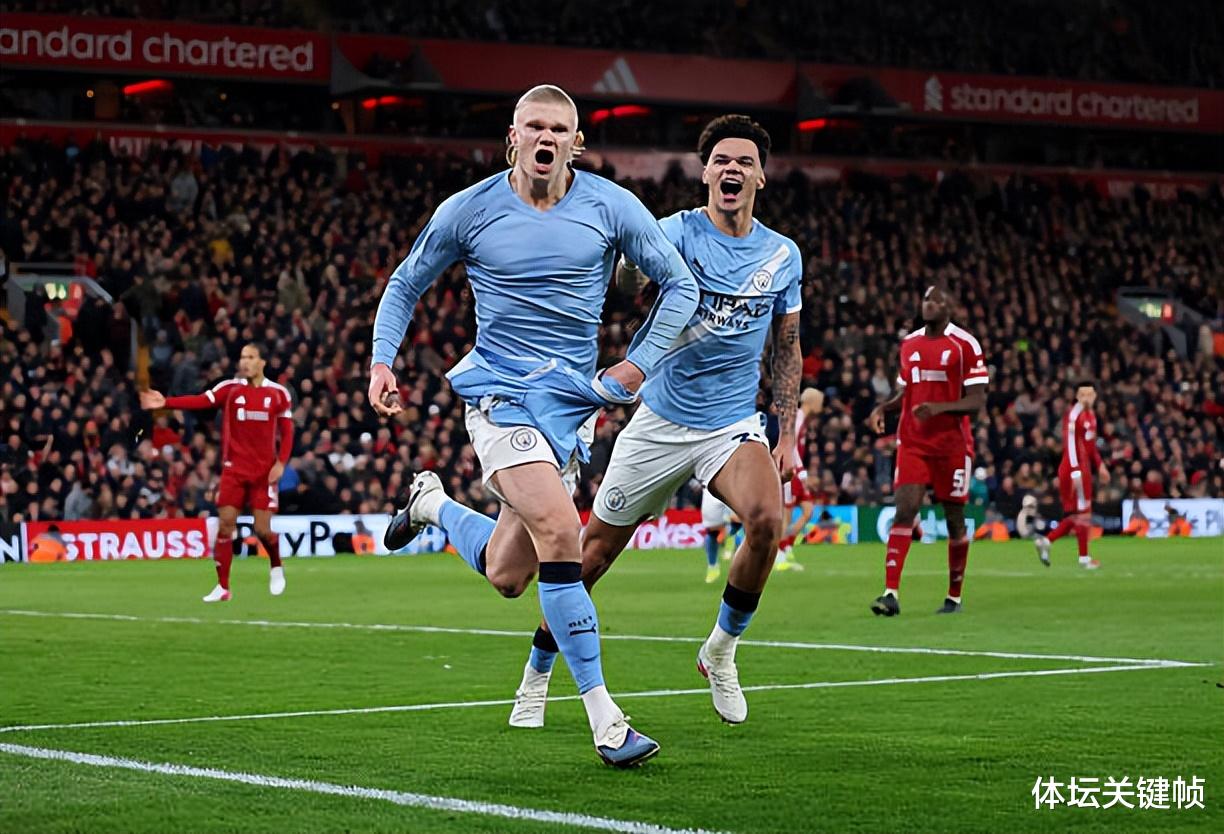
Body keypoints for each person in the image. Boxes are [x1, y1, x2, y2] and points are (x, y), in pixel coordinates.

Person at [369, 85, 699, 768]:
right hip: (500, 396)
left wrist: (637, 364)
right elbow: (405, 283)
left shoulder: (611, 206)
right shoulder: (469, 209)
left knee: (508, 573)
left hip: (571, 407)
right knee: (561, 530)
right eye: (534, 126)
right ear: (512, 137)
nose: (545, 138)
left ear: (576, 143)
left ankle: (430, 505)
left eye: (558, 129)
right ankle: (607, 720)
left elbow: (681, 286)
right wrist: (381, 361)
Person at [504, 114, 803, 729]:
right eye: (722, 160)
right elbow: (627, 279)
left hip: (729, 425)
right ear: (706, 172)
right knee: (589, 559)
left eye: (744, 162)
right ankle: (536, 673)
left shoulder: (782, 255)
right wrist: (634, 270)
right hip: (660, 421)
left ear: (760, 178)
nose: (732, 169)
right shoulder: (674, 232)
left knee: (767, 520)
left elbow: (789, 347)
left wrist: (788, 434)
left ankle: (721, 650)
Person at [866, 285, 988, 615]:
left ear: (949, 307)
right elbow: (905, 391)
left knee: (955, 519)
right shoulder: (909, 344)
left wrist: (939, 408)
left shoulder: (965, 344)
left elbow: (977, 401)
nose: (929, 304)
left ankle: (954, 596)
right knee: (905, 509)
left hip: (952, 445)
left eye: (936, 300)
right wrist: (884, 408)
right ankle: (890, 593)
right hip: (913, 442)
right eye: (925, 299)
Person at [140, 343, 293, 601]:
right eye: (242, 357)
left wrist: (281, 463)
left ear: (262, 362)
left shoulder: (278, 394)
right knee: (225, 525)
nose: (245, 362)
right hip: (234, 470)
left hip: (263, 474)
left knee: (263, 530)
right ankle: (223, 587)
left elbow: (287, 432)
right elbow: (201, 400)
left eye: (251, 357)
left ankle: (276, 565)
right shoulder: (230, 389)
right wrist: (167, 401)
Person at [1034, 381, 1107, 569]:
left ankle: (1046, 541)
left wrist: (1100, 465)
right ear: (1077, 396)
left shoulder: (1091, 415)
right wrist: (1075, 472)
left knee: (1078, 515)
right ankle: (1084, 559)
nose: (1087, 398)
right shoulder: (1074, 415)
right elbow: (1070, 445)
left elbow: (1090, 447)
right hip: (1074, 468)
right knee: (1083, 514)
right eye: (1083, 394)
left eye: (1090, 394)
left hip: (1082, 468)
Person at [775, 387, 824, 572]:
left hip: (796, 470)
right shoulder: (797, 418)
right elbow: (790, 446)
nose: (822, 405)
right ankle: (780, 556)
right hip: (790, 470)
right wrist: (801, 472)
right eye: (820, 401)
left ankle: (787, 546)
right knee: (786, 513)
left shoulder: (802, 419)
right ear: (813, 401)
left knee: (808, 510)